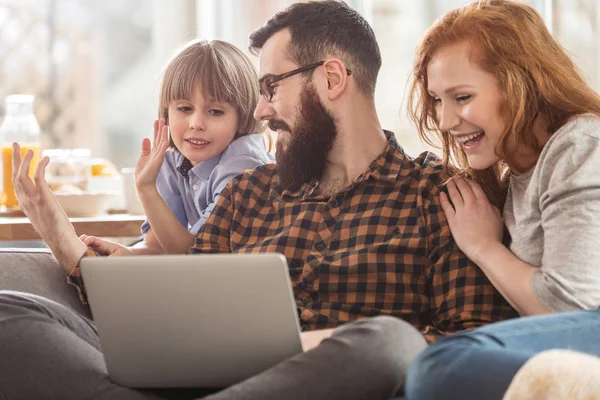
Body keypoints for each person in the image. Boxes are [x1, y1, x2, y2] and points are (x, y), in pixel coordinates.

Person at [4, 1, 514, 399]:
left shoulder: (439, 196)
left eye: (270, 86)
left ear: (332, 79)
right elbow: (165, 307)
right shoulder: (250, 194)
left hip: (340, 379)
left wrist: (302, 350)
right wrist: (56, 231)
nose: (262, 108)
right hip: (201, 376)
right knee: (14, 310)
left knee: (390, 343)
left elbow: (468, 349)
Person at [403, 1, 600, 399]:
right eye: (438, 100)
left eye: (461, 97)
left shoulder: (580, 145)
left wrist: (483, 246)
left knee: (442, 363)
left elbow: (571, 307)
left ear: (520, 83)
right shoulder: (512, 176)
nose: (443, 121)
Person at [88, 39, 273, 255]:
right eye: (185, 108)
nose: (196, 123)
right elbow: (157, 245)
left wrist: (146, 189)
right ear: (167, 112)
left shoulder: (244, 166)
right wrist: (126, 255)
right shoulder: (172, 160)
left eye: (215, 112)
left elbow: (192, 255)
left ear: (242, 117)